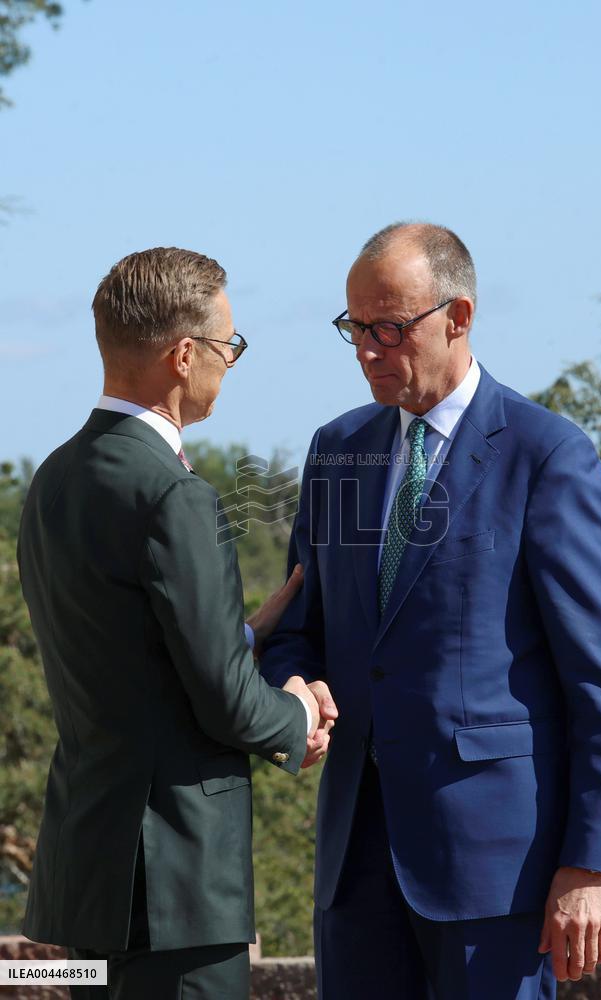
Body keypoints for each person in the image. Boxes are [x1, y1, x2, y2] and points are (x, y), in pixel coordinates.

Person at [260, 223, 601, 999]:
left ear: (458, 317)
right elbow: (297, 632)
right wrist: (294, 685)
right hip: (354, 869)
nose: (367, 349)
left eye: (388, 328)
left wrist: (590, 861)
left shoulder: (548, 456)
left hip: (500, 878)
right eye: (354, 328)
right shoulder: (337, 450)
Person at [17, 247, 336, 1000]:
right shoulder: (175, 495)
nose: (230, 362)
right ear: (183, 354)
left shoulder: (52, 480)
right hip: (178, 886)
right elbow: (225, 700)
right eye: (229, 346)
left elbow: (128, 653)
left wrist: (239, 633)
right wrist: (296, 713)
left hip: (88, 874)